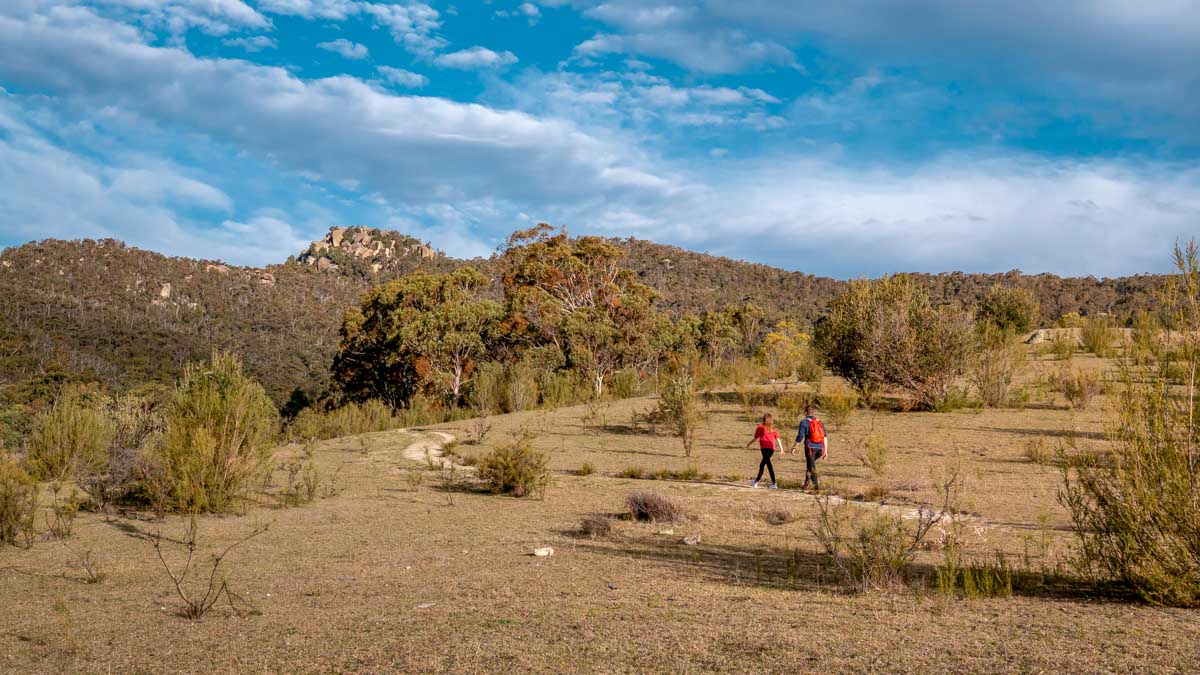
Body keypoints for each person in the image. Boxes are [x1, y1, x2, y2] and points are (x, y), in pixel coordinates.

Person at [791, 404, 827, 491]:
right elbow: (825, 437)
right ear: (813, 412)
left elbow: (800, 436)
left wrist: (794, 447)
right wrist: (825, 451)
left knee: (811, 468)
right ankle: (806, 485)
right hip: (820, 449)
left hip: (810, 448)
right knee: (809, 466)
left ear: (805, 412)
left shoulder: (804, 422)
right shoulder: (820, 422)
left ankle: (816, 488)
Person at [746, 413, 782, 489]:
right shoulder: (773, 428)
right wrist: (781, 449)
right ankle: (773, 483)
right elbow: (778, 439)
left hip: (764, 449)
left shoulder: (760, 427)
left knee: (763, 465)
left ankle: (756, 482)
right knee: (768, 465)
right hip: (771, 449)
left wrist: (749, 444)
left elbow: (755, 438)